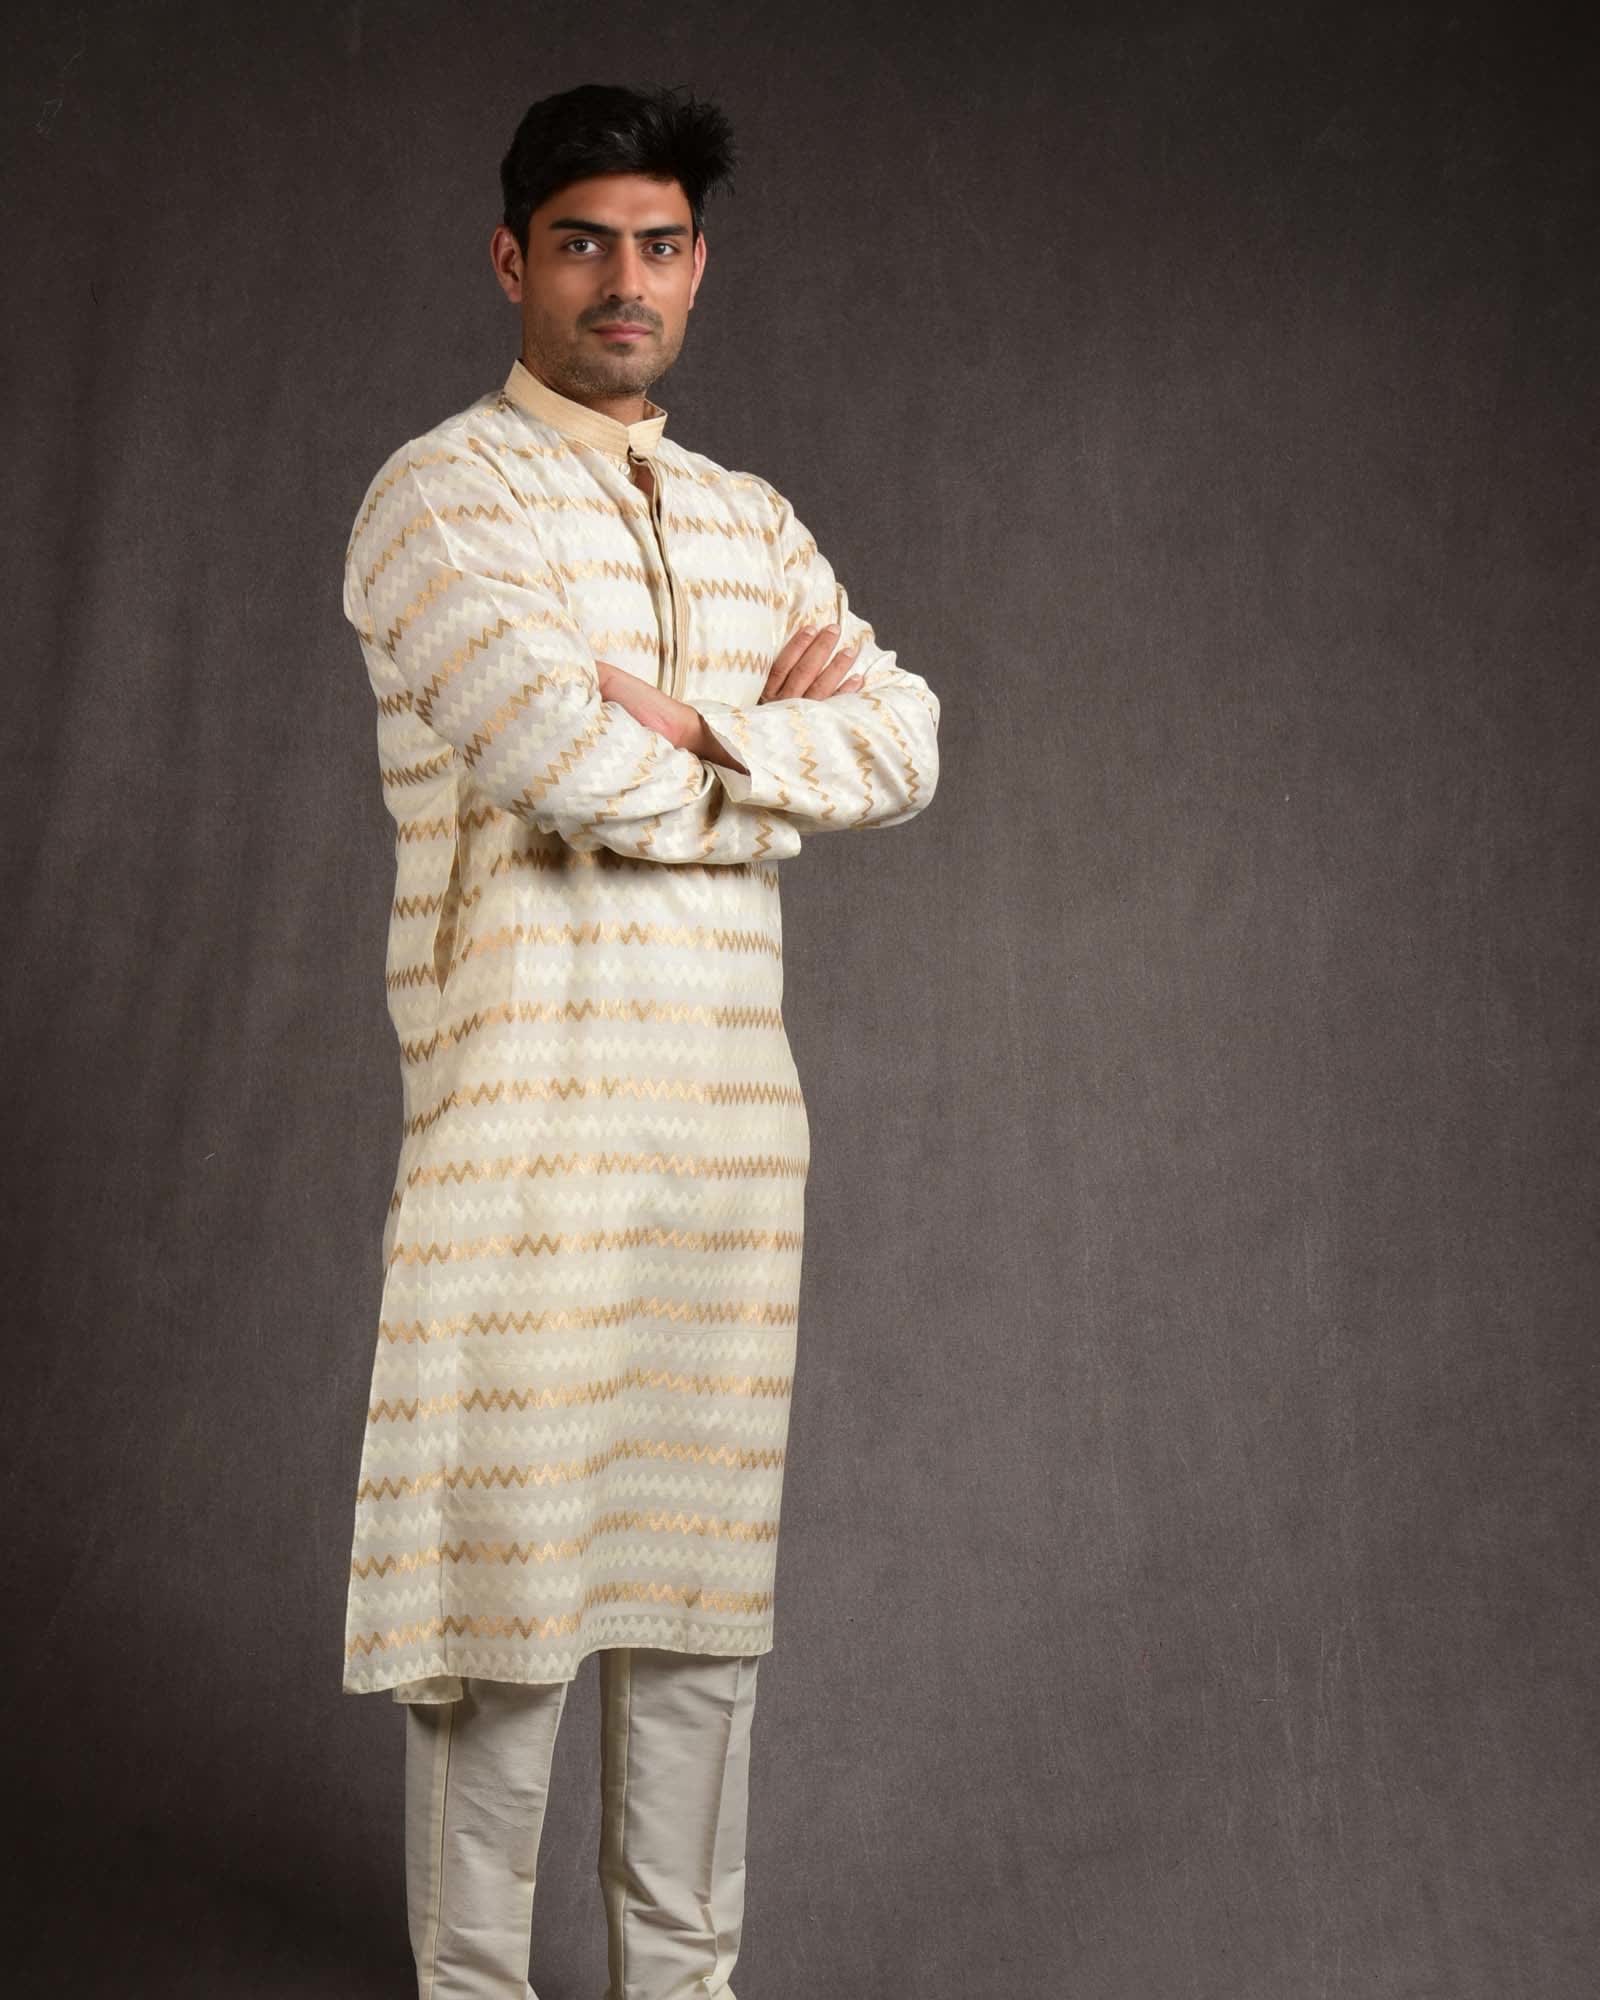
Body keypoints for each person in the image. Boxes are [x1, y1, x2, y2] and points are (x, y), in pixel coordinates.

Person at [338, 80, 940, 2000]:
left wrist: (696, 729)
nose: (625, 279)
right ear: (511, 258)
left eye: (660, 245)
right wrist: (768, 754)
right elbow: (553, 753)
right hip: (521, 1127)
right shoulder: (440, 498)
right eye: (584, 242)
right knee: (500, 1605)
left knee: (698, 1610)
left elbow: (909, 739)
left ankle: (685, 1990)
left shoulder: (754, 519)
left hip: (728, 1140)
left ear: (699, 267)